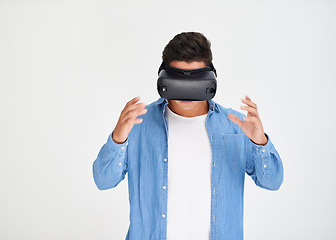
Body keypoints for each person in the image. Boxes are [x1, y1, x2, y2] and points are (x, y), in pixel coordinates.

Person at [92, 32, 284, 240]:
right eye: (177, 80)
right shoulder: (138, 124)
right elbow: (104, 180)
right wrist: (118, 137)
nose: (186, 91)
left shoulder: (237, 126)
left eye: (196, 81)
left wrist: (259, 142)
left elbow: (272, 182)